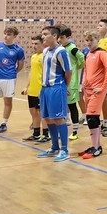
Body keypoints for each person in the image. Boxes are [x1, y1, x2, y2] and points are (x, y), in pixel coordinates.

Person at [35, 26, 72, 162]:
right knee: (48, 118)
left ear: (55, 36)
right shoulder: (45, 51)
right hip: (45, 89)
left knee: (59, 119)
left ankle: (64, 150)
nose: (43, 37)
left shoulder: (61, 51)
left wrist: (63, 87)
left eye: (45, 34)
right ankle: (55, 147)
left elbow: (68, 71)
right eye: (42, 34)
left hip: (56, 88)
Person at [80, 32, 107, 158]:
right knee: (92, 118)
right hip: (88, 89)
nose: (89, 43)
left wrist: (103, 86)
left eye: (91, 40)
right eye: (87, 40)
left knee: (91, 117)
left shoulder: (102, 53)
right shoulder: (88, 54)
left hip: (97, 90)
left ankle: (96, 148)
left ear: (97, 40)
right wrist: (83, 83)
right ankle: (96, 145)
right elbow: (86, 70)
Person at [58, 26, 84, 142]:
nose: (60, 40)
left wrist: (77, 67)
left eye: (62, 37)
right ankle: (62, 130)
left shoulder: (72, 48)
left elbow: (82, 58)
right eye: (59, 37)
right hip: (61, 81)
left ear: (68, 37)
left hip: (71, 83)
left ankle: (75, 131)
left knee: (72, 106)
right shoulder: (59, 48)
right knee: (62, 106)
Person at [21, 35, 43, 141]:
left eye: (36, 44)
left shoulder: (44, 56)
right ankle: (36, 134)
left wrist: (42, 89)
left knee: (40, 113)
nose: (34, 46)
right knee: (33, 112)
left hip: (40, 90)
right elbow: (32, 73)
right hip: (32, 90)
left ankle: (46, 134)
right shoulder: (34, 56)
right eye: (33, 44)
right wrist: (26, 87)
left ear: (43, 44)